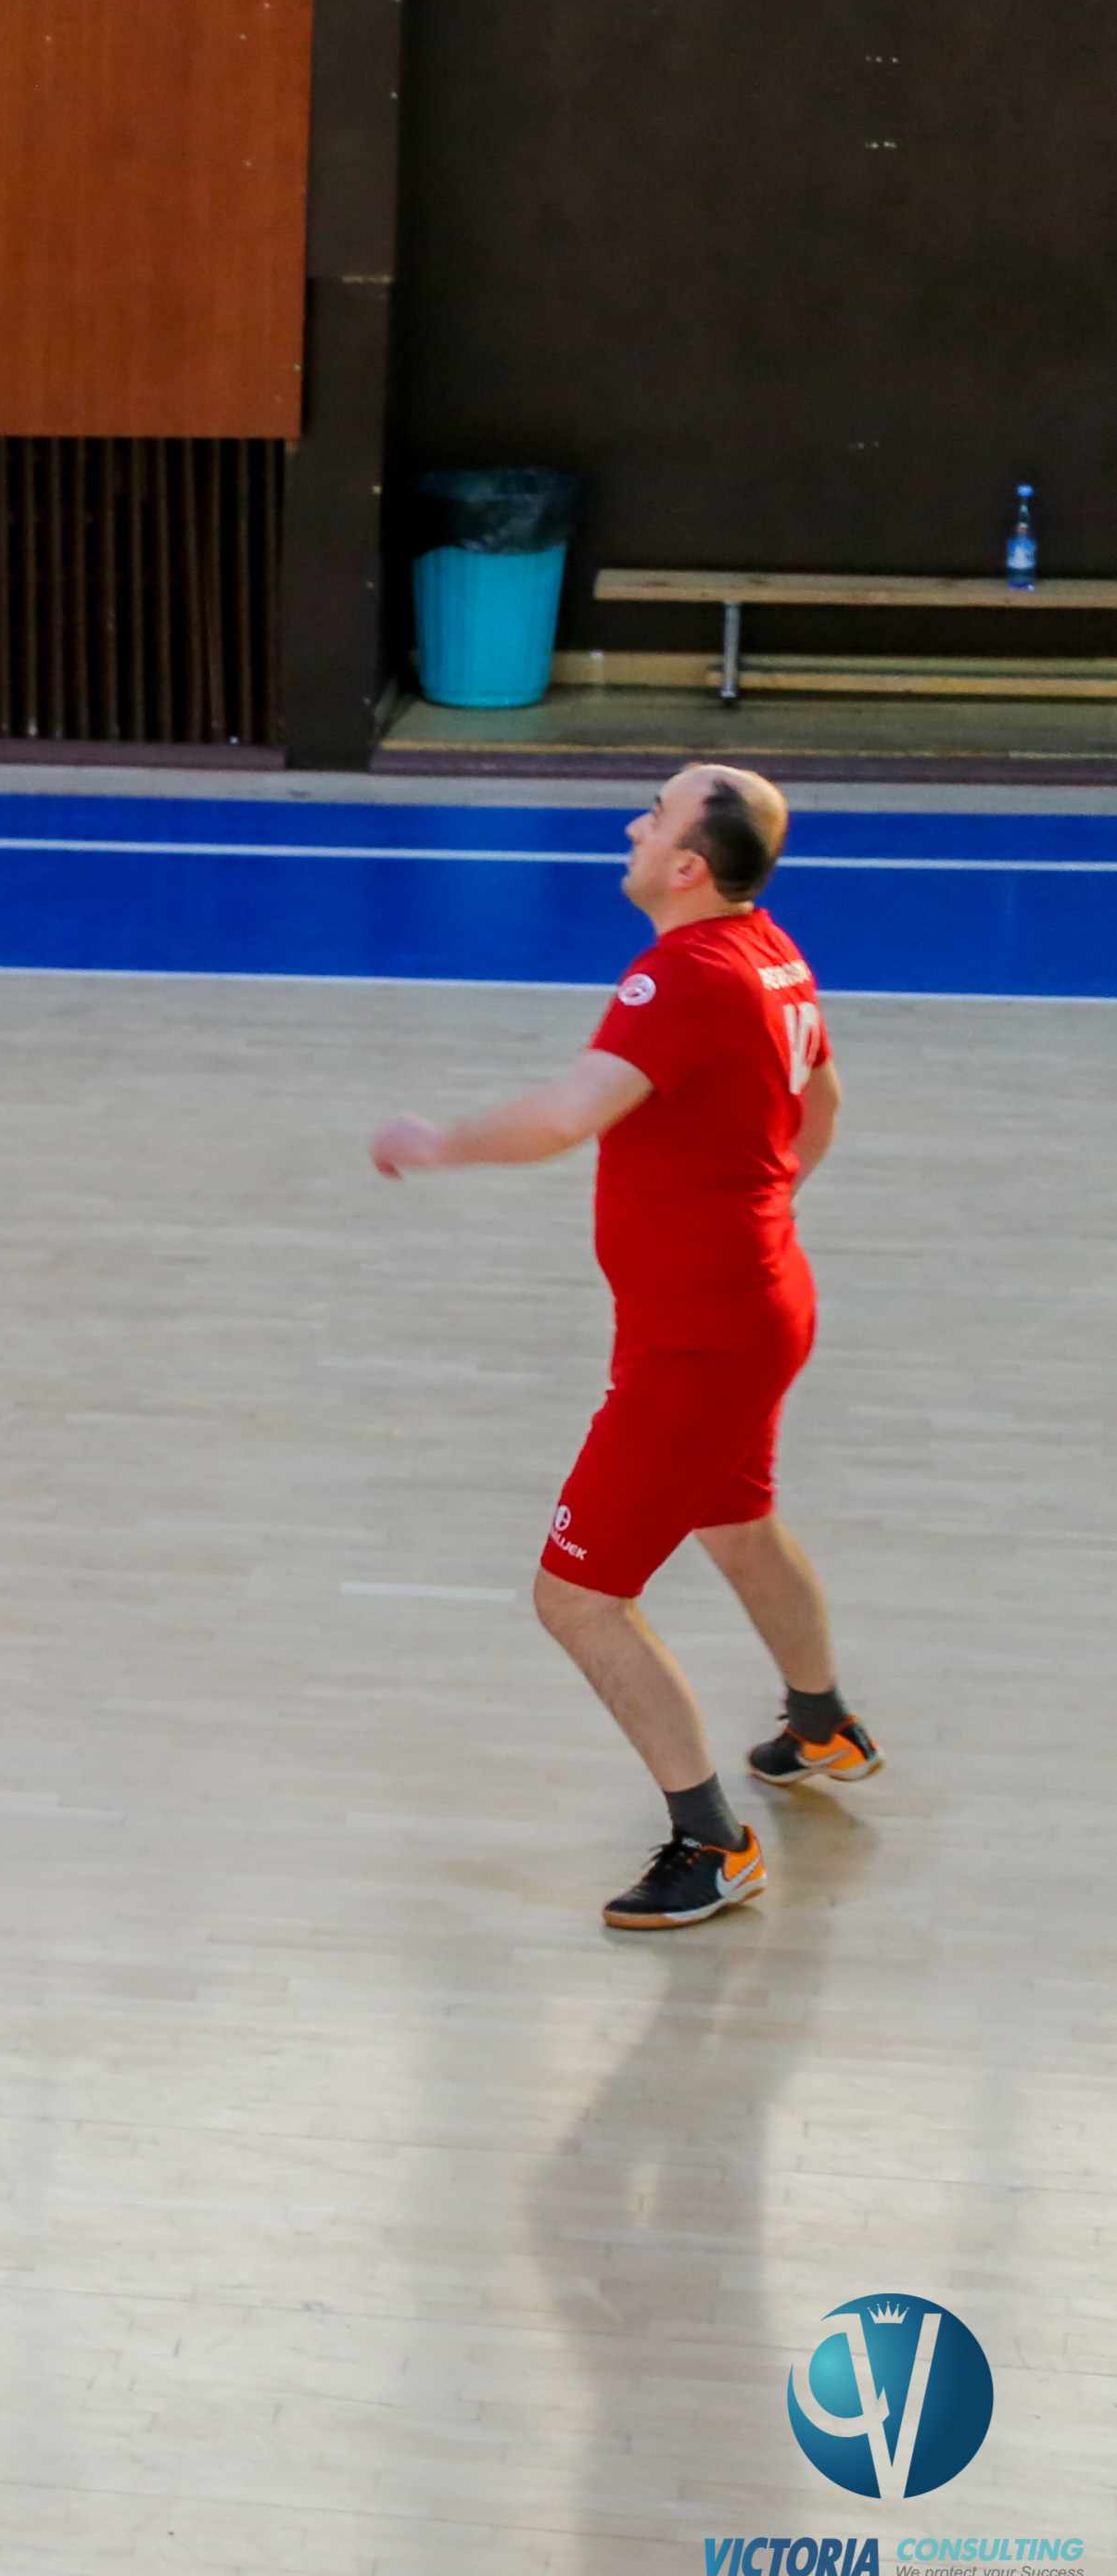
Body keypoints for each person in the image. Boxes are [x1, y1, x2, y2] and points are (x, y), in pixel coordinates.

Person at [370, 765, 885, 1931]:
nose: (633, 826)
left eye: (654, 815)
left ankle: (713, 1844)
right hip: (757, 1304)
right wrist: (754, 1209)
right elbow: (822, 1107)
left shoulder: (683, 973)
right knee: (736, 1522)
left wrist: (437, 1143)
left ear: (688, 866)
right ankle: (822, 1726)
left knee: (578, 1597)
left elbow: (567, 1116)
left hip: (701, 1340)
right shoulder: (771, 952)